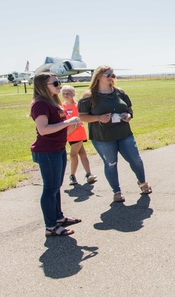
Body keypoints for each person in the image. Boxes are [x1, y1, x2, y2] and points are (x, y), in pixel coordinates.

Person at [78, 66, 151, 204]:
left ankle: (142, 183)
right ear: (98, 76)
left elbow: (129, 109)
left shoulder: (120, 92)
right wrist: (98, 118)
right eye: (108, 75)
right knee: (111, 164)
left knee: (136, 159)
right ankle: (116, 191)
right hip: (103, 137)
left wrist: (128, 115)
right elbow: (82, 116)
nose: (111, 77)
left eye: (113, 75)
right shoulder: (89, 95)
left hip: (124, 133)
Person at [30, 72, 83, 236]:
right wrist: (68, 122)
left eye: (58, 82)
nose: (59, 86)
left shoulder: (53, 102)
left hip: (58, 148)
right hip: (47, 151)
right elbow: (43, 130)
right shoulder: (40, 104)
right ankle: (51, 226)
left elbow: (60, 127)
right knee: (50, 189)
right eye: (55, 83)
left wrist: (72, 124)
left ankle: (58, 218)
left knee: (56, 187)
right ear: (43, 86)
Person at [60, 85, 97, 186]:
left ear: (73, 94)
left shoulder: (77, 106)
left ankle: (72, 175)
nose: (66, 95)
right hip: (68, 133)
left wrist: (68, 132)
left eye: (68, 93)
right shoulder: (62, 106)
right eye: (64, 93)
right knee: (82, 153)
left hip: (77, 132)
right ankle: (89, 174)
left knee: (73, 154)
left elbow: (78, 120)